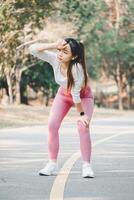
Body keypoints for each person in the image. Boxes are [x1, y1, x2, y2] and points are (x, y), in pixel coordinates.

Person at [19, 38, 95, 178]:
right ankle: (52, 164)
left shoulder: (77, 68)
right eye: (59, 50)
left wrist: (82, 114)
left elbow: (76, 95)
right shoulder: (55, 59)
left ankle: (86, 166)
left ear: (74, 56)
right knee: (52, 125)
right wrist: (54, 44)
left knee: (83, 126)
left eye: (65, 52)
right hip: (63, 94)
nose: (60, 54)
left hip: (83, 96)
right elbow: (33, 49)